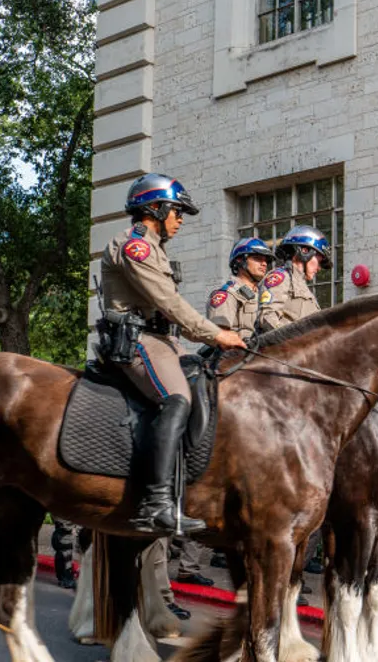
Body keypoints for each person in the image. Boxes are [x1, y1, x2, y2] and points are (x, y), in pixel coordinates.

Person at [98, 174, 247, 534]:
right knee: (177, 398)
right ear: (156, 208)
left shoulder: (155, 248)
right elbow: (167, 302)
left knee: (207, 383)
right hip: (136, 342)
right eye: (176, 212)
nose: (179, 220)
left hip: (162, 341)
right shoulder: (135, 247)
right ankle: (157, 503)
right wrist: (216, 334)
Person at [257, 224, 330, 331]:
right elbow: (267, 317)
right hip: (285, 346)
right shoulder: (281, 277)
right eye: (318, 261)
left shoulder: (303, 287)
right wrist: (294, 342)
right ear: (305, 251)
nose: (319, 268)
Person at [207, 236, 272, 339]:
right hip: (239, 353)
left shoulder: (264, 295)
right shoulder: (227, 294)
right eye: (258, 258)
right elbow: (220, 336)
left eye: (266, 261)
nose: (264, 264)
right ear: (240, 260)